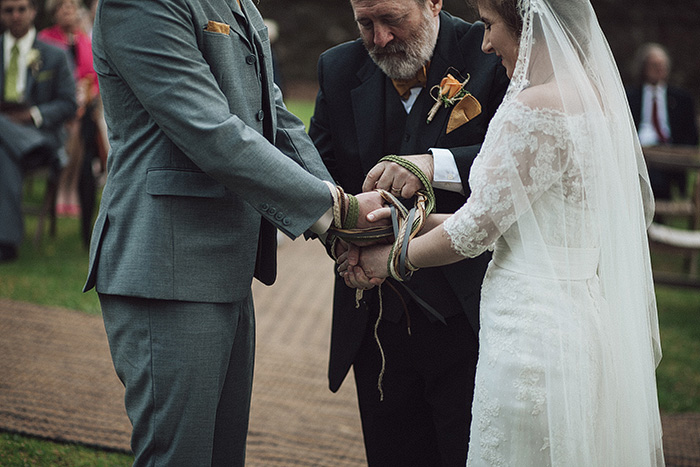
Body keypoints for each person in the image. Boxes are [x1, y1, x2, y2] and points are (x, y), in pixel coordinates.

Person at [344, 0, 665, 464]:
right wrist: (401, 223)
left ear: (528, 23)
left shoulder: (534, 106)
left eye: (491, 25)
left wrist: (392, 258)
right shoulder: (598, 102)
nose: (487, 42)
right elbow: (506, 220)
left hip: (529, 337)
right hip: (582, 322)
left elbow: (475, 231)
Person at [83, 0, 386, 465]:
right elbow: (210, 130)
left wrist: (337, 226)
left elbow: (275, 120)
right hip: (166, 267)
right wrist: (336, 211)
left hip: (227, 267)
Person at [309, 0, 508, 464]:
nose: (379, 39)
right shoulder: (337, 68)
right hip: (376, 325)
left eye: (392, 20)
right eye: (365, 24)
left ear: (434, 3)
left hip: (471, 316)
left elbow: (521, 156)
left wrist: (437, 165)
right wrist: (341, 239)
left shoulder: (491, 51)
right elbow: (317, 172)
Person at [0, 0, 76, 263]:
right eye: (8, 10)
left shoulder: (55, 54)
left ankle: (7, 242)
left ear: (33, 11)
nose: (16, 15)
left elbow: (69, 103)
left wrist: (33, 116)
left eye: (21, 9)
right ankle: (6, 243)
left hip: (41, 134)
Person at [39, 0, 99, 219]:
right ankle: (64, 188)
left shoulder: (83, 40)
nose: (69, 13)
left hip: (81, 106)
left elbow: (93, 76)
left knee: (82, 126)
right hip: (54, 105)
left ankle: (71, 187)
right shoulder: (45, 39)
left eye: (72, 9)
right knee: (74, 127)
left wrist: (86, 96)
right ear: (54, 13)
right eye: (64, 9)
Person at [627, 43, 699, 200]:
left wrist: (677, 154)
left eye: (662, 65)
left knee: (658, 178)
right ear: (644, 67)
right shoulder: (630, 97)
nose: (659, 69)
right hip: (639, 153)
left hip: (669, 156)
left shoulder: (682, 99)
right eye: (654, 65)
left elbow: (691, 135)